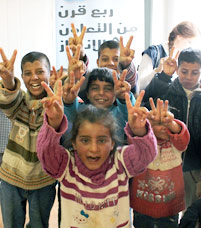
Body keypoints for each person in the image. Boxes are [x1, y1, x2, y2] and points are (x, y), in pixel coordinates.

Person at [36, 79, 158, 228]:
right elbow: (46, 154)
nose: (94, 149)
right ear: (74, 143)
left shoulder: (121, 161)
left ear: (112, 143)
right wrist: (53, 122)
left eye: (101, 140)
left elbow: (146, 155)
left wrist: (139, 131)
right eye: (85, 140)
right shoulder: (66, 165)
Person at [0, 48, 56, 228]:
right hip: (11, 177)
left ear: (49, 72)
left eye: (40, 71)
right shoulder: (21, 101)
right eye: (28, 73)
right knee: (11, 224)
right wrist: (8, 82)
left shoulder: (55, 103)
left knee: (39, 224)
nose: (34, 78)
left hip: (43, 179)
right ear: (22, 77)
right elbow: (9, 102)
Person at [142, 47, 201, 210]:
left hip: (196, 168)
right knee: (169, 211)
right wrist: (164, 76)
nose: (189, 77)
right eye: (184, 71)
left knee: (192, 212)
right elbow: (146, 101)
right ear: (177, 69)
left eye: (194, 72)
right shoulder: (168, 90)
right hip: (167, 163)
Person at [130, 97, 190, 228]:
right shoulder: (144, 143)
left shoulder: (175, 143)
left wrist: (171, 123)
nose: (163, 128)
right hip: (142, 207)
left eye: (166, 123)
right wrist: (142, 126)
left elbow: (183, 137)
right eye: (158, 124)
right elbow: (136, 138)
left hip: (170, 208)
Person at [62, 67, 136, 148]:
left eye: (108, 89)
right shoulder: (80, 111)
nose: (101, 93)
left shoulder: (120, 113)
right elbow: (69, 113)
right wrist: (68, 102)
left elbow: (131, 114)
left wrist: (123, 97)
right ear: (87, 93)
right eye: (95, 88)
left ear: (115, 94)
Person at [137, 21, 201, 94]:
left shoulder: (185, 57)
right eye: (189, 42)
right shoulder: (153, 52)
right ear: (179, 37)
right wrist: (158, 70)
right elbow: (139, 86)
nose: (191, 47)